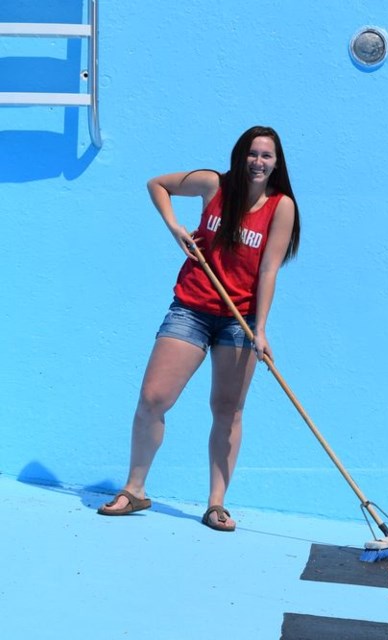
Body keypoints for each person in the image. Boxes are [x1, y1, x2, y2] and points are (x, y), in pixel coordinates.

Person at [97, 126, 301, 532]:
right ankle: (135, 489)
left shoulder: (281, 207)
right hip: (191, 307)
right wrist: (175, 226)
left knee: (228, 409)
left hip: (238, 320)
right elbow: (157, 184)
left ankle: (216, 504)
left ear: (276, 163)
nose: (258, 162)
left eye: (267, 156)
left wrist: (260, 330)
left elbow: (268, 270)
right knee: (153, 398)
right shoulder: (213, 184)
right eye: (252, 153)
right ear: (240, 155)